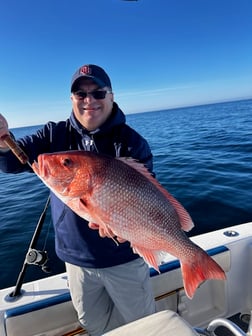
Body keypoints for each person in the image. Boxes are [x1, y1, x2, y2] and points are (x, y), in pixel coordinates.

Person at [0, 64, 156, 335]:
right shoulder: (53, 135)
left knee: (142, 327)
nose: (89, 101)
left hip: (124, 259)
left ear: (111, 96)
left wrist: (118, 225)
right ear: (72, 98)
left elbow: (147, 200)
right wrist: (3, 142)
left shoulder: (131, 143)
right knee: (92, 323)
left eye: (98, 93)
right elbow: (13, 163)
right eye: (80, 94)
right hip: (76, 260)